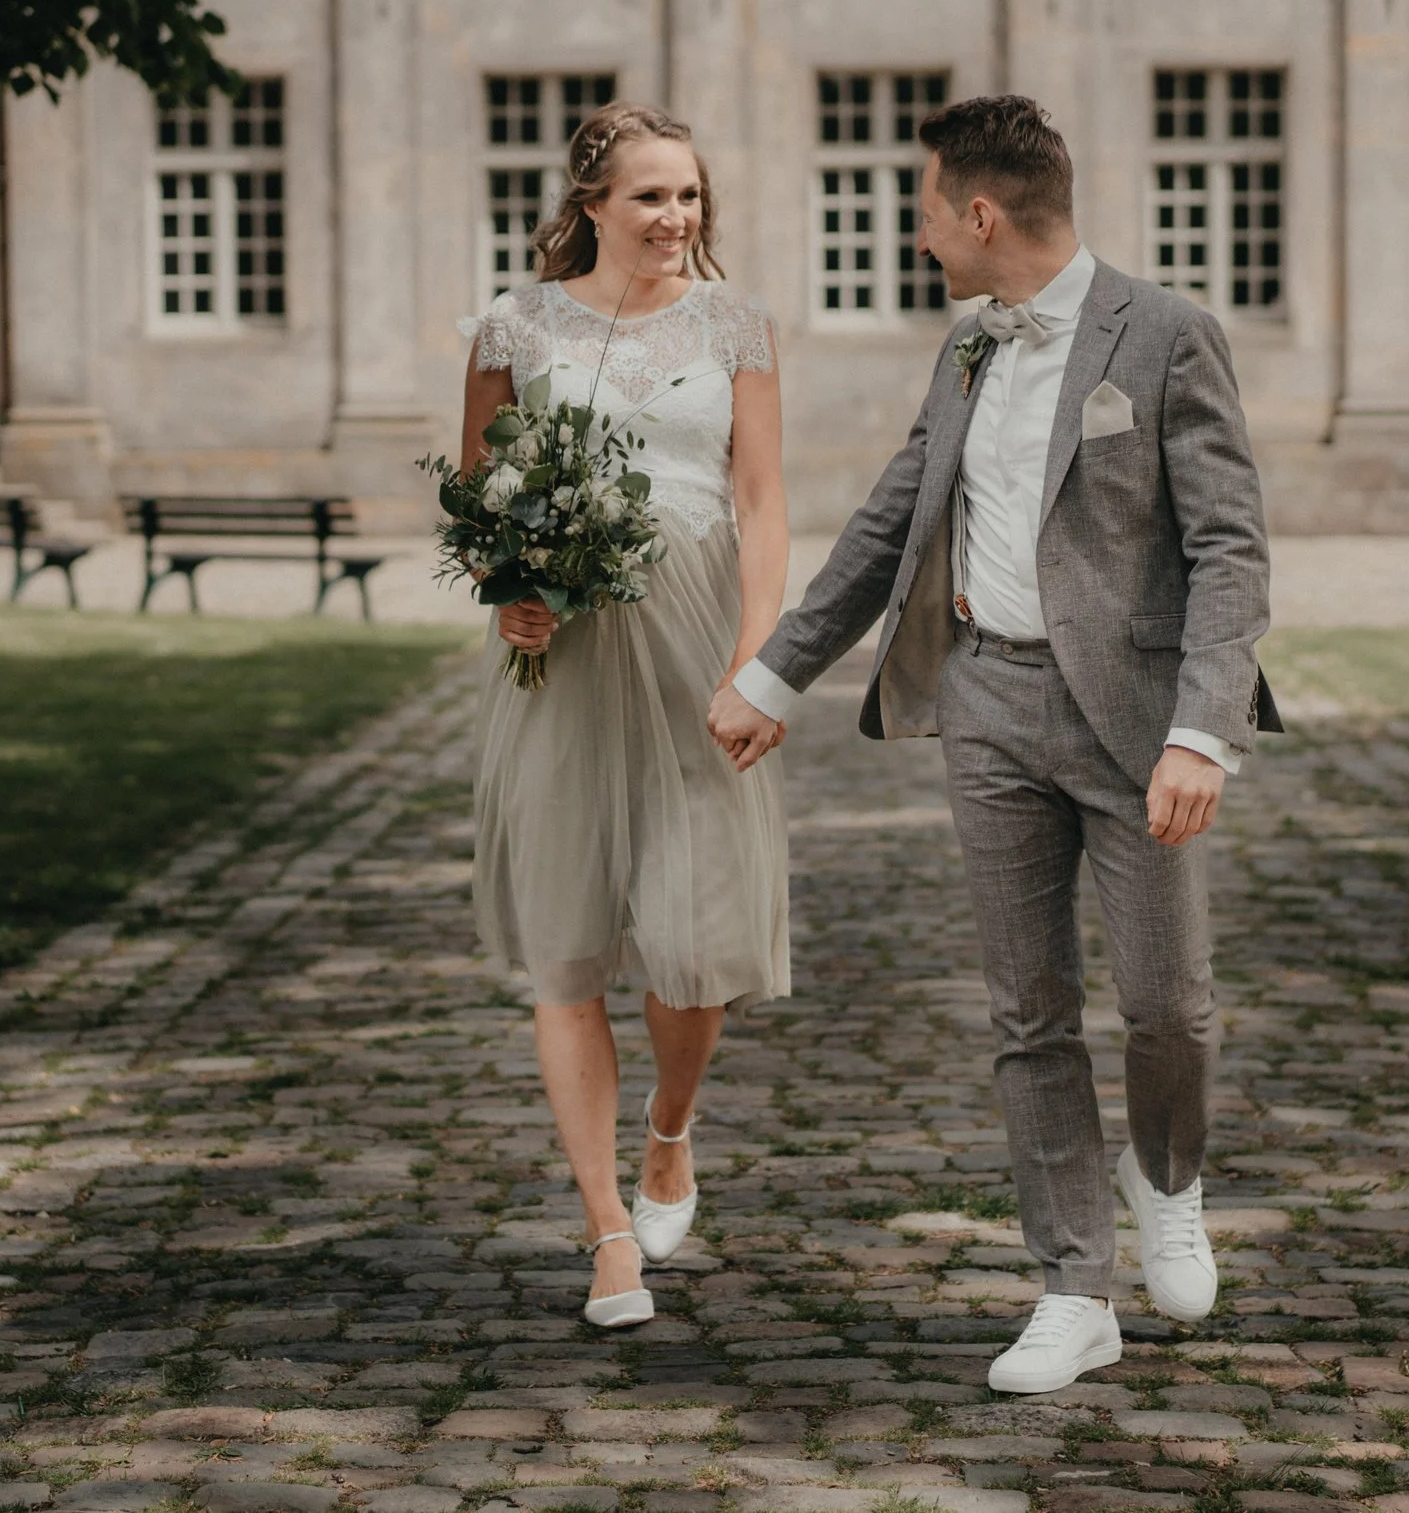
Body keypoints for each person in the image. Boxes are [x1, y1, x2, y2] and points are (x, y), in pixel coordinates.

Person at [707, 94, 1278, 1393]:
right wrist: (776, 671)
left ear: (980, 213)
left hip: (1138, 725)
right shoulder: (964, 351)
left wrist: (1203, 726)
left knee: (1167, 1004)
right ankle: (1074, 1284)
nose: (917, 238)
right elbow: (890, 517)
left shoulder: (1171, 334)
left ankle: (1168, 1172)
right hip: (989, 707)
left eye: (923, 212)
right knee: (1029, 1014)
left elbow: (1231, 546)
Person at [463, 101, 791, 1329]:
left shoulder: (737, 324)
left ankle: (669, 1132)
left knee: (692, 940)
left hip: (700, 640)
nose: (675, 218)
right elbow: (481, 495)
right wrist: (510, 598)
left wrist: (758, 655)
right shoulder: (513, 326)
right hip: (566, 660)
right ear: (591, 204)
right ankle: (607, 1230)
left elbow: (762, 504)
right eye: (651, 195)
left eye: (690, 196)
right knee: (566, 945)